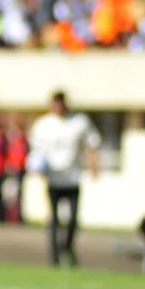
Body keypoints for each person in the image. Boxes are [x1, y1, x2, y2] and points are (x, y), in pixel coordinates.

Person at [28, 91, 100, 266]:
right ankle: (54, 257)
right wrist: (38, 169)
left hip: (72, 178)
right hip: (53, 179)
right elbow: (36, 152)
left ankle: (66, 247)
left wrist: (93, 166)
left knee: (73, 219)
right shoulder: (43, 125)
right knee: (53, 219)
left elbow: (92, 143)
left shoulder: (79, 122)